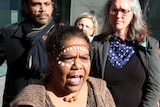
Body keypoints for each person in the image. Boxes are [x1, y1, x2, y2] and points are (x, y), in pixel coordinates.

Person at [10, 25, 116, 107]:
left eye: (84, 58)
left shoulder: (99, 90)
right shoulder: (30, 102)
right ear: (51, 61)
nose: (77, 65)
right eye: (69, 58)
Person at [90, 0, 160, 107]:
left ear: (133, 14)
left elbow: (154, 86)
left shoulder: (148, 45)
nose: (118, 15)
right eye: (114, 10)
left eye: (124, 11)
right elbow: (90, 82)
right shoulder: (97, 44)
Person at [0, 0, 55, 106]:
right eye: (36, 4)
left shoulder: (63, 35)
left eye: (46, 4)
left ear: (52, 6)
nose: (42, 9)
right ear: (25, 7)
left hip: (50, 101)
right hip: (18, 102)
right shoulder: (9, 34)